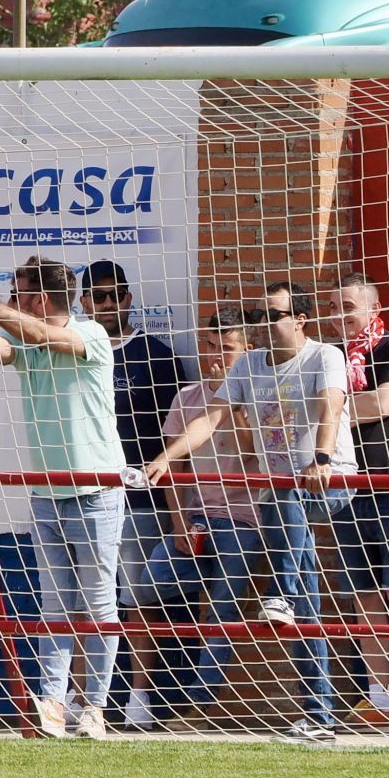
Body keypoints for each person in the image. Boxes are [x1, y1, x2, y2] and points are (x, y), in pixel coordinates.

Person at [146, 282, 355, 743]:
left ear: (299, 318)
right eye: (260, 314)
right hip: (280, 494)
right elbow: (211, 417)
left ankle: (277, 594)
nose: (264, 322)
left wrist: (320, 458)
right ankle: (319, 715)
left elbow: (331, 406)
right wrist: (168, 456)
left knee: (289, 501)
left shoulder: (324, 355)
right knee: (307, 596)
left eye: (274, 314)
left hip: (330, 479)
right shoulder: (247, 365)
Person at [0, 257, 125, 740]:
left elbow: (40, 336)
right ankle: (52, 705)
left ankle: (94, 706)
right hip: (47, 492)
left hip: (96, 492)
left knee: (97, 605)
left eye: (19, 294)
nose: (12, 300)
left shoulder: (90, 335)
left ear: (41, 299)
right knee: (54, 607)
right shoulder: (28, 342)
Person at [122, 308, 261, 730]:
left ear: (249, 352)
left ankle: (199, 707)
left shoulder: (259, 395)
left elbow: (256, 453)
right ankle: (141, 694)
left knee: (221, 608)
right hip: (195, 516)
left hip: (244, 519)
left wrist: (232, 398)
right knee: (146, 588)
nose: (216, 357)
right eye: (209, 346)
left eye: (227, 349)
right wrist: (179, 522)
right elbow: (173, 472)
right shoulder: (186, 397)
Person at [320, 272, 389, 731]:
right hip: (346, 486)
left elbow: (383, 404)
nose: (339, 315)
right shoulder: (329, 357)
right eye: (331, 307)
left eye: (347, 305)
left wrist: (325, 409)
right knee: (362, 595)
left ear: (372, 307)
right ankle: (377, 693)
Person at [80, 259, 187, 608]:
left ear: (128, 299)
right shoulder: (70, 354)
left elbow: (179, 437)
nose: (108, 303)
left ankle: (141, 668)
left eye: (116, 294)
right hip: (84, 498)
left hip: (141, 502)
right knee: (82, 605)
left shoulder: (156, 356)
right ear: (83, 302)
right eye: (99, 296)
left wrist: (176, 510)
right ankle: (87, 667)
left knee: (138, 602)